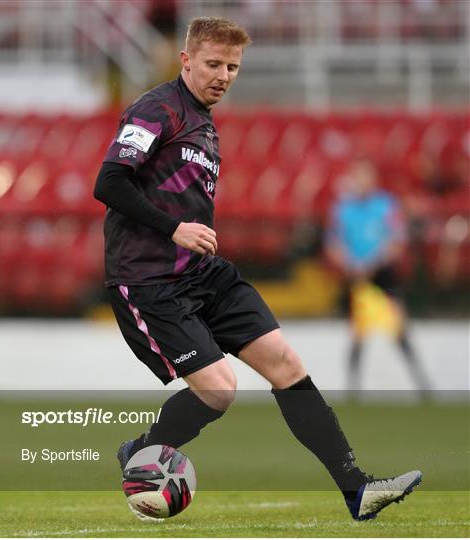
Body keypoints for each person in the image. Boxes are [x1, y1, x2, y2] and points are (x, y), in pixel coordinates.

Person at [94, 17, 422, 521]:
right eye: (213, 64)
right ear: (186, 61)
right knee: (221, 390)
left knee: (287, 365)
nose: (223, 75)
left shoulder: (203, 120)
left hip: (202, 273)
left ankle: (357, 490)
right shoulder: (157, 109)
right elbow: (110, 182)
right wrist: (173, 228)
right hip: (149, 279)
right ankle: (142, 451)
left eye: (233, 67)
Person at [325, 158, 432, 397]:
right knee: (358, 332)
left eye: (364, 177)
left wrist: (372, 262)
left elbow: (396, 241)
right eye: (357, 178)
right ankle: (353, 387)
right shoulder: (343, 209)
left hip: (383, 276)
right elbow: (334, 243)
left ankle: (421, 382)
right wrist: (351, 263)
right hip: (358, 277)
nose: (360, 183)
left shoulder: (386, 205)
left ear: (373, 180)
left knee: (399, 328)